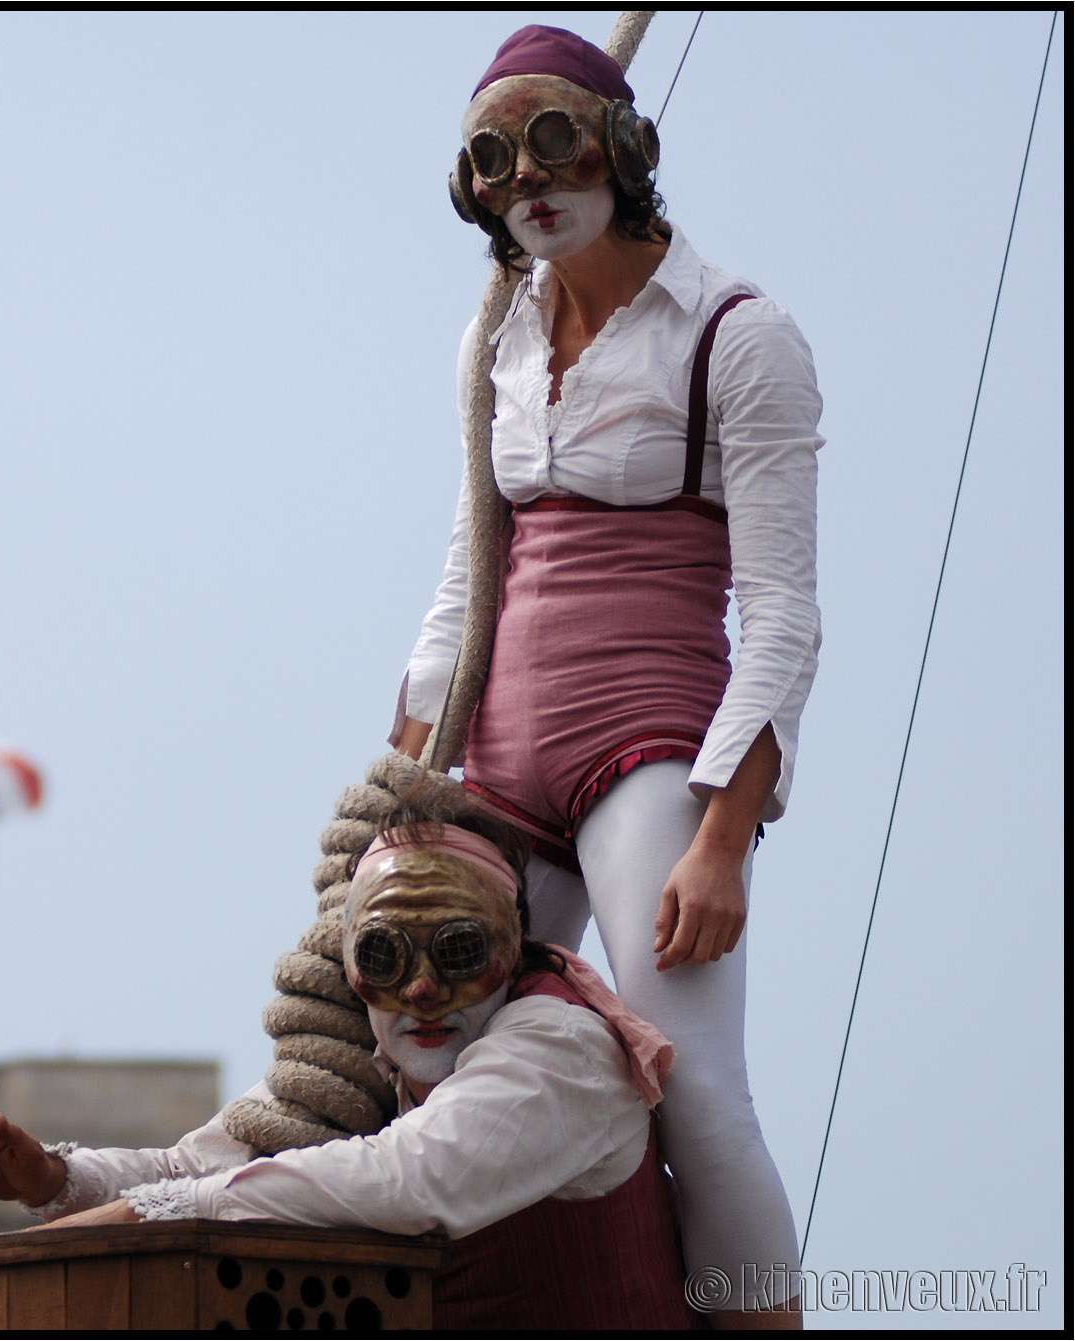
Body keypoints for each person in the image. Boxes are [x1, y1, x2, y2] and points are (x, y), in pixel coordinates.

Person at [393, 23, 821, 1326]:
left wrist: (725, 841)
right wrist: (409, 780)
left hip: (648, 761)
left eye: (553, 139)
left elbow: (786, 617)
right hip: (497, 766)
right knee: (419, 1056)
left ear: (623, 149)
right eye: (492, 158)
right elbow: (465, 579)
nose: (529, 177)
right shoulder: (495, 348)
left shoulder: (739, 335)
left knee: (691, 1081)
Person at [0, 783, 697, 1331]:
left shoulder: (563, 1048)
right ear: (350, 964)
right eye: (386, 954)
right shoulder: (363, 1068)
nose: (420, 989)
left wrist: (159, 1215)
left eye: (457, 950)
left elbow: (411, 1177)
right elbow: (196, 1169)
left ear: (514, 947)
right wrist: (54, 1181)